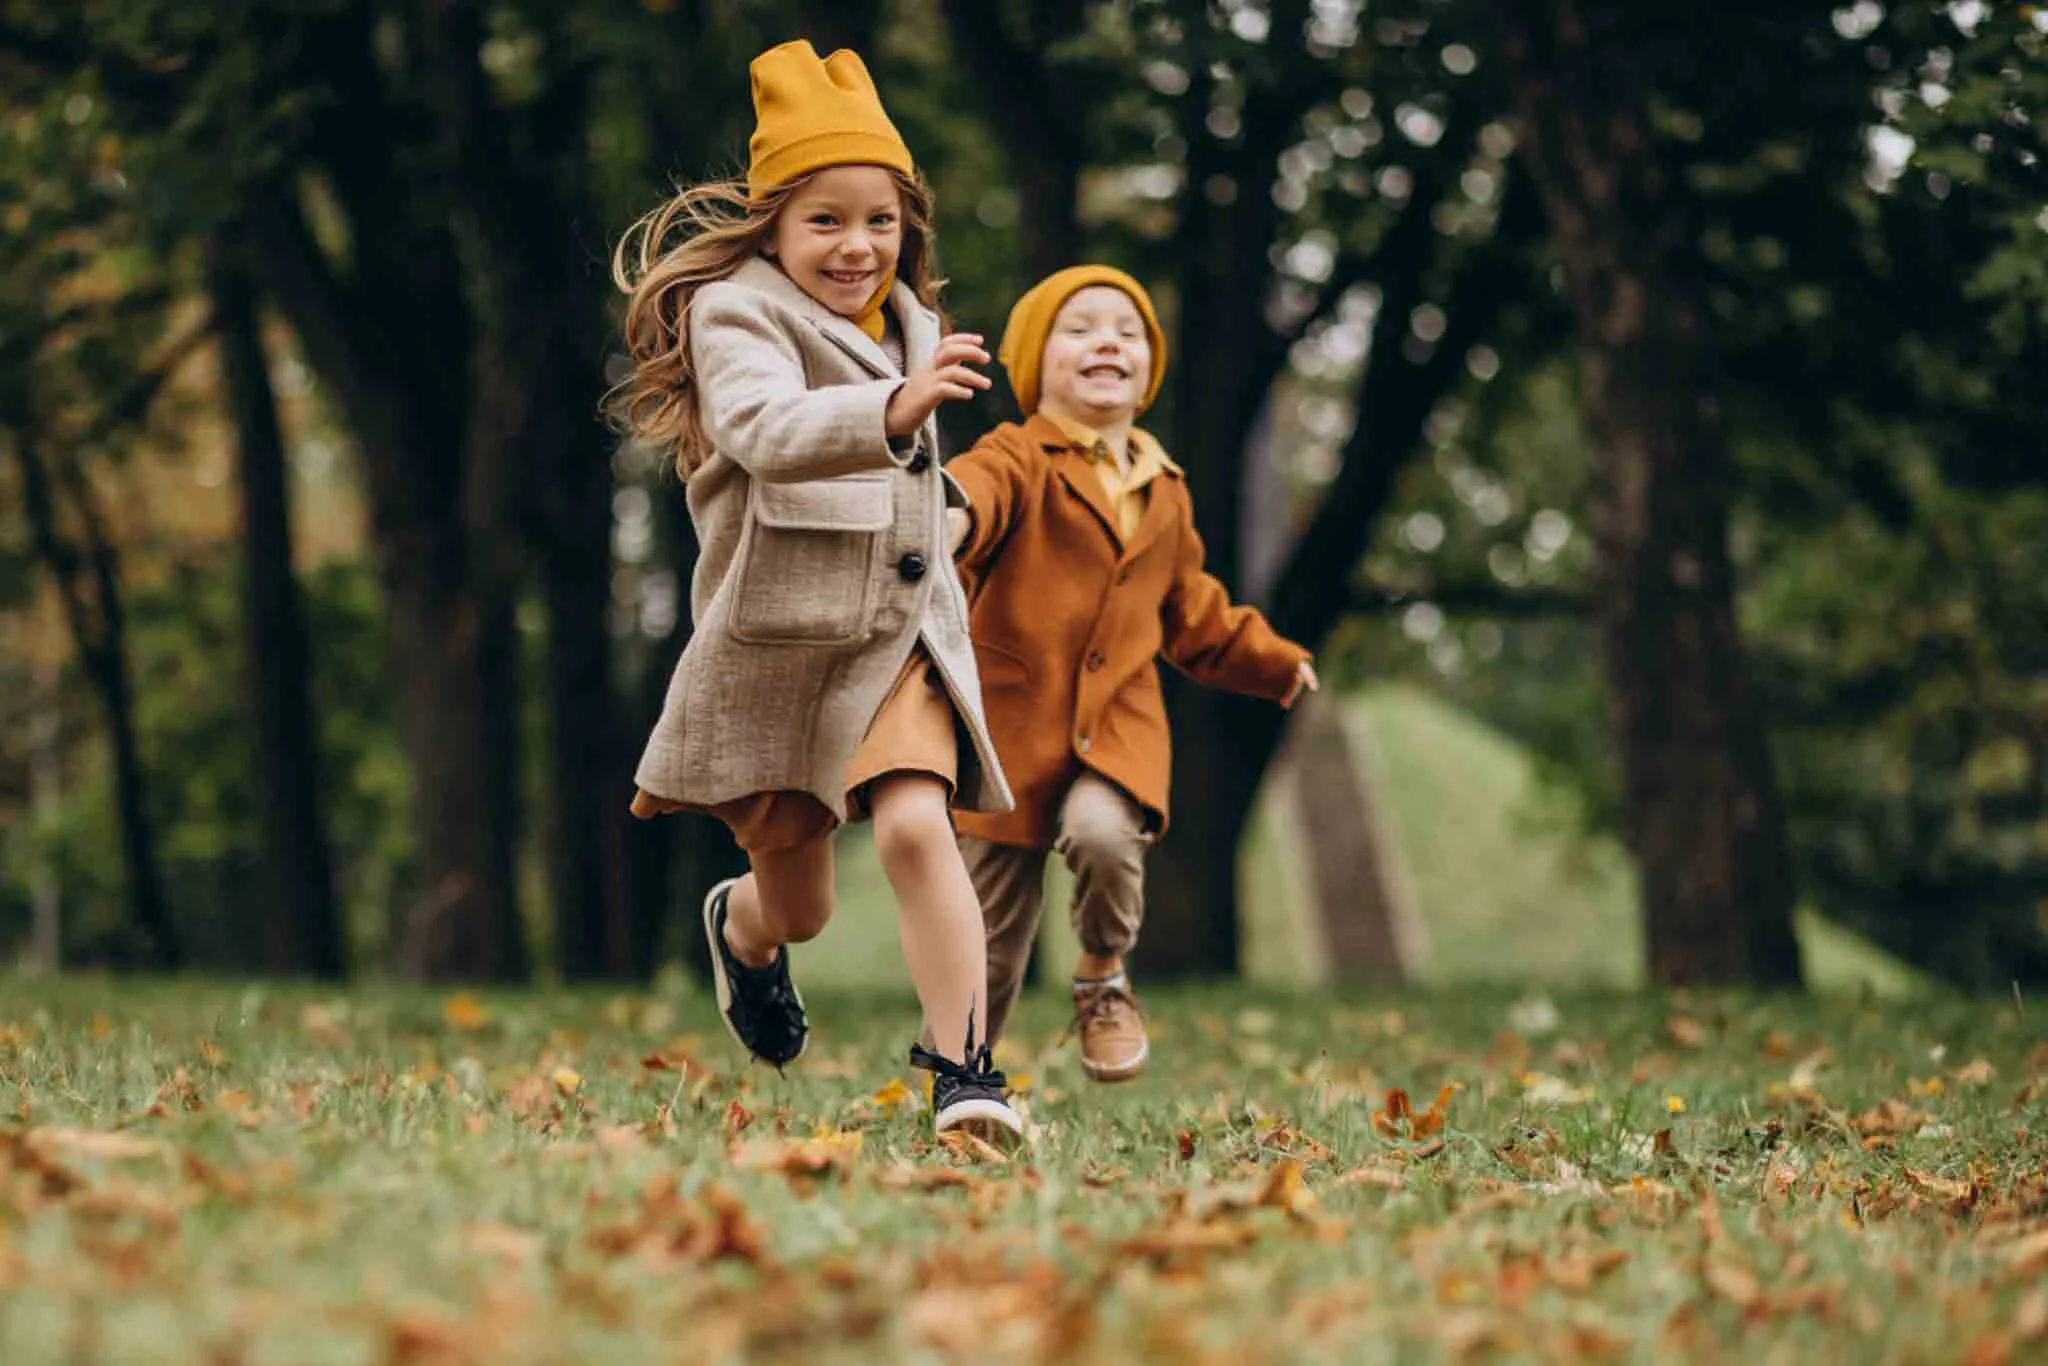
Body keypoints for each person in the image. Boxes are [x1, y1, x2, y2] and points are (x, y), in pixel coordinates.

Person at [612, 40, 1020, 1141]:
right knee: (801, 904)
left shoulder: (915, 326)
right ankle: (740, 931)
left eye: (880, 221)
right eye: (827, 221)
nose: (857, 246)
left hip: (901, 635)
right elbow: (762, 428)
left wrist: (958, 516)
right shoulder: (736, 317)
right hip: (785, 645)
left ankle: (966, 1072)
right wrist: (890, 415)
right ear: (776, 226)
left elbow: (918, 487)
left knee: (912, 827)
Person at [944, 265, 1318, 1082]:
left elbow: (1193, 611)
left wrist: (1272, 660)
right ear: (1036, 363)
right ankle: (963, 1077)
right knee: (987, 943)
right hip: (1008, 733)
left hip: (1116, 727)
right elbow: (979, 496)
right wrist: (946, 514)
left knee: (1106, 837)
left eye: (1127, 330)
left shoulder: (1165, 488)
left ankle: (1103, 976)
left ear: (1149, 365)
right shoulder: (1016, 455)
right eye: (1078, 329)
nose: (1106, 341)